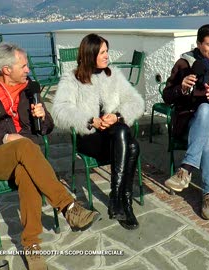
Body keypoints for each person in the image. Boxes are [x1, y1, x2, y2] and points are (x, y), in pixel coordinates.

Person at [0, 42, 101, 270]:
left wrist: (43, 116)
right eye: (24, 66)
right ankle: (68, 207)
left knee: (26, 172)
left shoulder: (30, 90)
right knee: (25, 146)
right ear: (6, 70)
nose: (28, 70)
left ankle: (31, 245)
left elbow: (46, 129)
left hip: (27, 157)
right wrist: (5, 138)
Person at [52, 34, 145, 230]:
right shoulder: (72, 78)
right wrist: (89, 121)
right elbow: (60, 110)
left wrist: (117, 116)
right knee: (131, 143)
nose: (107, 56)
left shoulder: (113, 75)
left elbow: (136, 101)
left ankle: (120, 200)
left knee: (127, 137)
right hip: (88, 137)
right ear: (90, 54)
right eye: (103, 52)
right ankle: (121, 200)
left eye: (107, 51)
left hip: (113, 136)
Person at [163, 24, 209, 220]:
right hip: (189, 123)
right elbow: (167, 96)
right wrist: (181, 88)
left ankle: (186, 169)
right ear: (198, 44)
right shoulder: (184, 64)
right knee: (208, 138)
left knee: (205, 109)